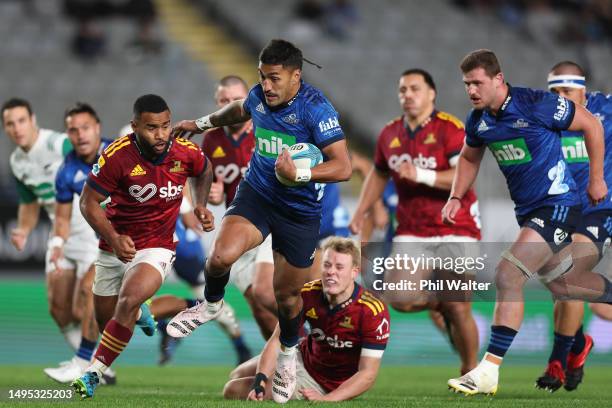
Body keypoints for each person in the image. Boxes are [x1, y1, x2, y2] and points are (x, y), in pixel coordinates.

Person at [167, 39, 352, 402]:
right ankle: (212, 304)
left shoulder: (317, 110)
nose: (266, 86)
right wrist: (200, 123)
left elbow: (343, 166)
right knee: (218, 258)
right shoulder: (259, 96)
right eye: (262, 77)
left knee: (286, 299)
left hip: (299, 211)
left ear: (296, 76)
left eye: (274, 78)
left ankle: (286, 355)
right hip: (259, 194)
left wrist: (298, 174)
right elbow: (237, 110)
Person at [445, 49, 608, 396]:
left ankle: (488, 371)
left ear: (498, 79)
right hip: (529, 212)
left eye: (477, 83)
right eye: (466, 84)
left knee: (508, 274)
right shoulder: (479, 120)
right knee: (566, 286)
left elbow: (591, 124)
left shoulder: (536, 104)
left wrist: (596, 179)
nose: (471, 90)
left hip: (558, 205)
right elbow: (469, 157)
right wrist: (456, 195)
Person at [71, 94, 214, 399]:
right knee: (108, 320)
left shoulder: (185, 151)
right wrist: (112, 238)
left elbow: (204, 169)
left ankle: (92, 373)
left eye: (165, 125)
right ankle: (142, 314)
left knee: (128, 300)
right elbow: (88, 202)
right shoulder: (116, 156)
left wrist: (200, 205)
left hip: (157, 246)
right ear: (135, 126)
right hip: (114, 247)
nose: (161, 134)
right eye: (152, 128)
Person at [349, 68, 481, 375]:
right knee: (400, 298)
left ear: (431, 94)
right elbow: (378, 175)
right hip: (412, 229)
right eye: (403, 90)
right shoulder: (389, 134)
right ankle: (441, 305)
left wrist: (420, 174)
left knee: (460, 306)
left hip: (456, 226)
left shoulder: (451, 129)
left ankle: (471, 370)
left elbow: (464, 177)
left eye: (414, 89)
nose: (407, 95)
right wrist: (360, 211)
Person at [223, 237, 390, 401]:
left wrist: (329, 398)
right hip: (301, 356)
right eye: (327, 265)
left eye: (339, 267)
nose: (331, 271)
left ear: (354, 271)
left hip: (326, 383)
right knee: (237, 374)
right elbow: (277, 339)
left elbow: (368, 374)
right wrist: (260, 378)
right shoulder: (308, 293)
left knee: (232, 389)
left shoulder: (372, 311)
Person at [534, 61, 611, 392]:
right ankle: (578, 348)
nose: (560, 97)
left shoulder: (606, 109)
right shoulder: (546, 116)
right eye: (554, 91)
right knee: (559, 286)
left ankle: (557, 362)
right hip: (560, 210)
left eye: (567, 91)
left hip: (599, 208)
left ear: (584, 89)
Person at [2, 98, 84, 372]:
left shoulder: (56, 144)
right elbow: (29, 202)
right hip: (60, 234)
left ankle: (92, 363)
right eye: (10, 123)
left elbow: (93, 160)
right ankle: (97, 366)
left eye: (21, 120)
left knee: (86, 305)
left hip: (91, 229)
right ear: (5, 128)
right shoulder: (17, 162)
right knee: (59, 309)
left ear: (33, 120)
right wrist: (24, 230)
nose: (17, 128)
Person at [43, 103, 117, 384]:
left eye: (85, 128)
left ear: (97, 127)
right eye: (73, 130)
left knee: (90, 290)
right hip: (113, 243)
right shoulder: (66, 171)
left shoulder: (119, 152)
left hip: (143, 236)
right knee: (86, 305)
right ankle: (92, 363)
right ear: (68, 134)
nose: (80, 135)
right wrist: (58, 244)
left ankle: (84, 362)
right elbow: (61, 219)